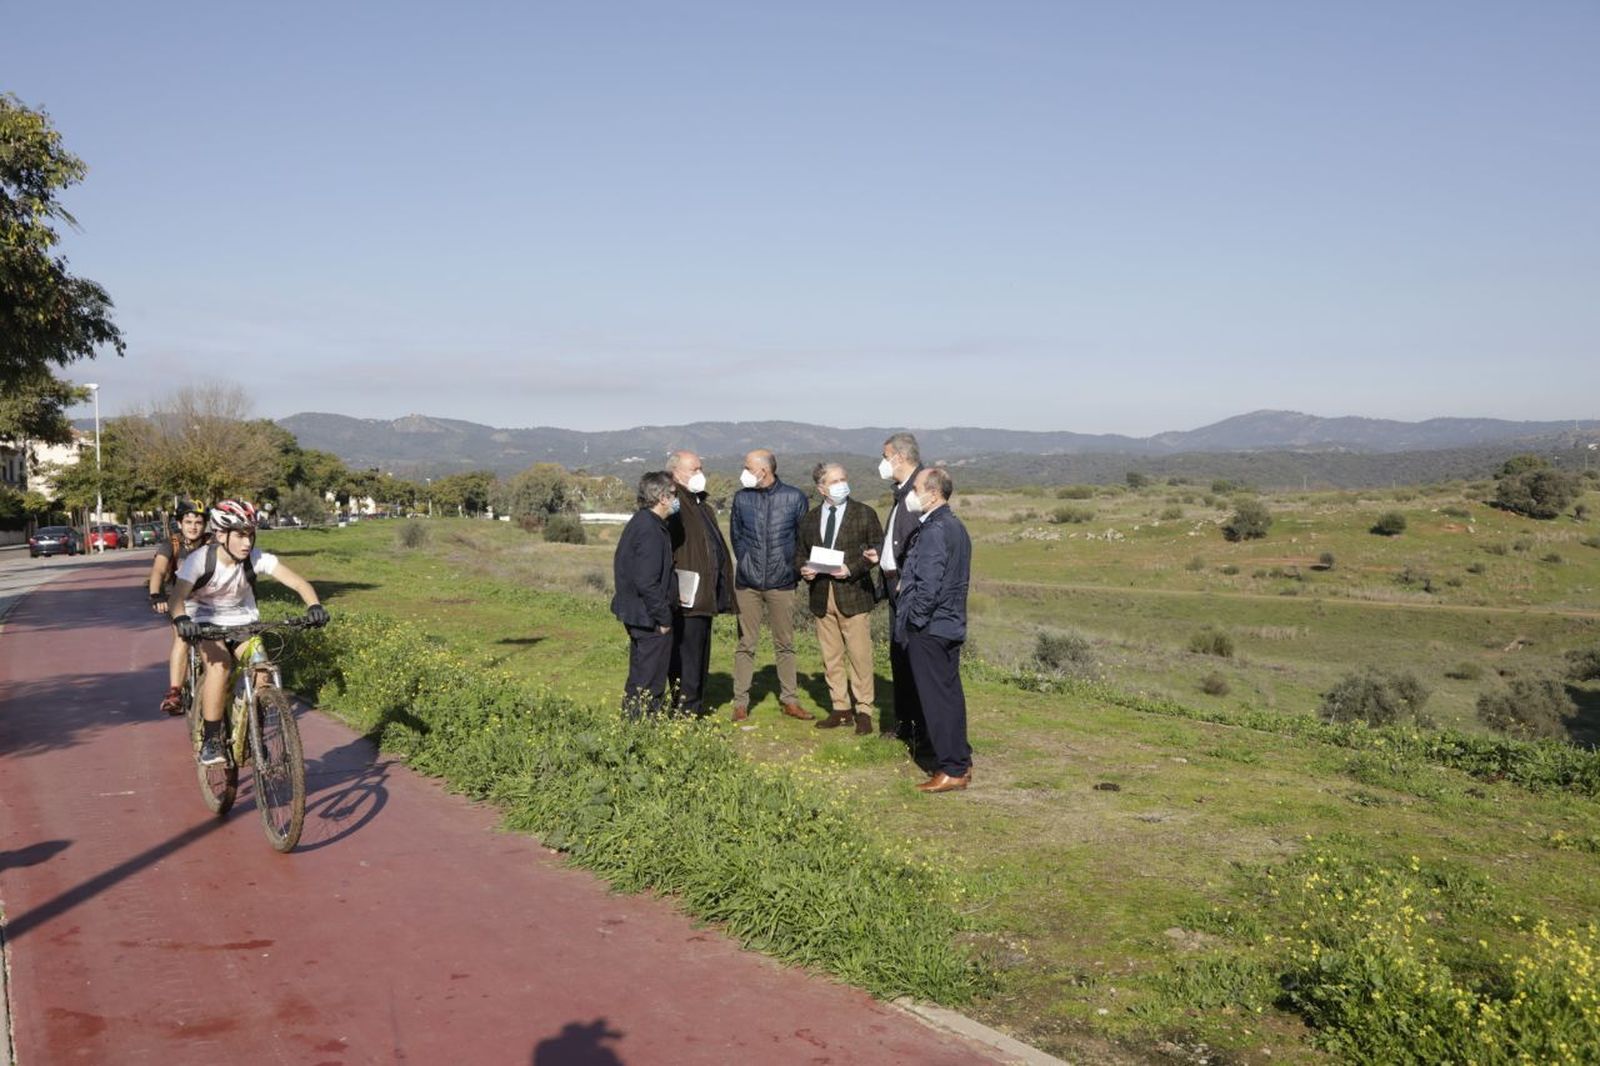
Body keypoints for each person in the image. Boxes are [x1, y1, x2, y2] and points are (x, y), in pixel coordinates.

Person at [168, 499, 329, 766]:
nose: (247, 543)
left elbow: (299, 582)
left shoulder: (257, 558)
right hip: (205, 621)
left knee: (263, 670)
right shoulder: (200, 560)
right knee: (219, 668)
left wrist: (314, 605)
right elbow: (177, 597)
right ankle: (211, 739)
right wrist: (183, 619)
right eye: (240, 535)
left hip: (243, 622)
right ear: (221, 534)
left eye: (251, 535)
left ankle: (253, 733)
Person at [893, 467, 973, 793]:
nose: (911, 494)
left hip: (931, 628)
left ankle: (951, 768)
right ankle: (960, 761)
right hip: (948, 624)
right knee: (950, 696)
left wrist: (914, 622)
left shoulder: (935, 530)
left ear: (934, 493)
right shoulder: (955, 526)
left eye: (916, 488)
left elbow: (929, 585)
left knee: (937, 701)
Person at [795, 462, 883, 735]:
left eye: (844, 478)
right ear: (821, 488)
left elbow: (877, 549)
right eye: (835, 481)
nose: (842, 484)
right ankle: (840, 708)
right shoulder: (809, 519)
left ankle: (864, 710)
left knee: (860, 656)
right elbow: (799, 552)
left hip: (854, 594)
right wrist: (804, 569)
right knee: (831, 656)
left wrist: (853, 568)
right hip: (822, 594)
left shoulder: (864, 513)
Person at [728, 449, 811, 722]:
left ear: (763, 470)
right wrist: (747, 560)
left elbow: (802, 540)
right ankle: (740, 703)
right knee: (745, 644)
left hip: (782, 582)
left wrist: (791, 569)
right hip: (747, 583)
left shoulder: (795, 498)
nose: (743, 471)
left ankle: (790, 700)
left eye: (747, 466)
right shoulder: (741, 499)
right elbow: (736, 536)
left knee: (785, 644)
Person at [861, 432, 927, 748]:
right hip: (893, 584)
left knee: (911, 656)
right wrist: (882, 553)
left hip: (908, 588)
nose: (883, 463)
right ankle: (905, 724)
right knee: (899, 656)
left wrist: (905, 574)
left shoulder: (919, 490)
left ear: (898, 457)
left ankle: (918, 728)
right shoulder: (901, 492)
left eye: (885, 456)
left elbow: (924, 540)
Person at [664, 450, 735, 717]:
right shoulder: (673, 504)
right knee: (686, 656)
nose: (700, 474)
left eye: (700, 468)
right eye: (694, 469)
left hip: (706, 594)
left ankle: (694, 705)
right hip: (686, 595)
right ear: (675, 474)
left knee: (700, 654)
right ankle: (685, 711)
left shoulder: (702, 506)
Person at [610, 472, 679, 719]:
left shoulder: (641, 522)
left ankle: (630, 725)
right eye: (673, 495)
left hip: (638, 613)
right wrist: (663, 619)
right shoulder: (650, 529)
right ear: (662, 497)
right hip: (648, 618)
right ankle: (643, 731)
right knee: (650, 681)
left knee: (639, 676)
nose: (676, 500)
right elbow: (646, 581)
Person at [147, 502, 210, 716]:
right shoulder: (171, 545)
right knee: (182, 637)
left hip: (210, 601)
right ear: (180, 523)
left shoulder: (213, 544)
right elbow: (158, 571)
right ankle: (175, 691)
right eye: (188, 522)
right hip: (181, 601)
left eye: (199, 522)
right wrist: (156, 594)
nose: (193, 527)